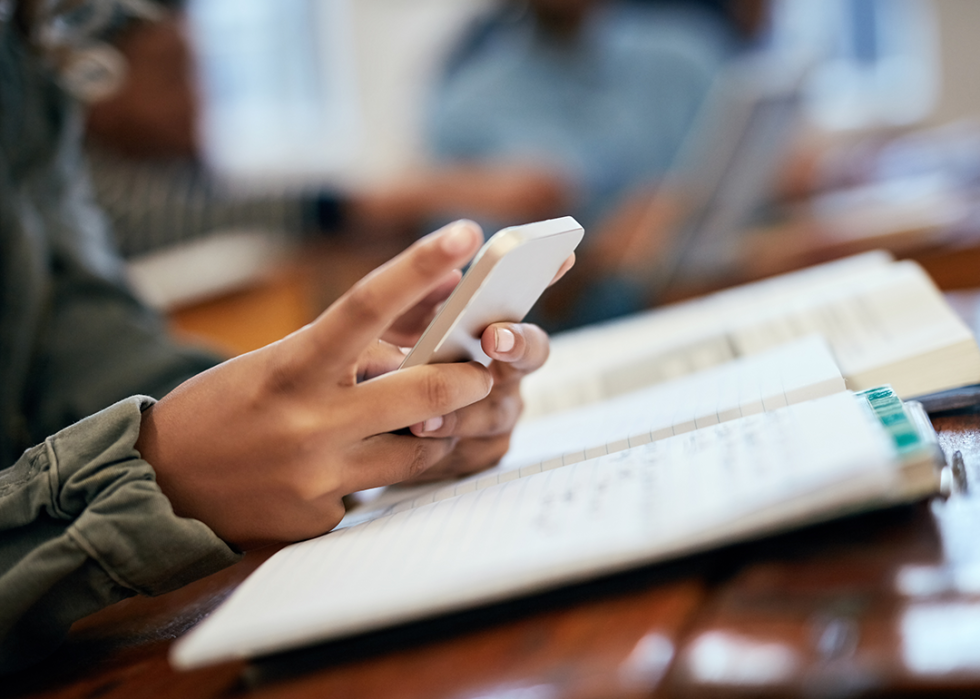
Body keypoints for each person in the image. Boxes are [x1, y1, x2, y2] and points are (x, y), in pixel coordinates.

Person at [0, 0, 570, 672]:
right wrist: (157, 479)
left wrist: (326, 407)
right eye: (174, 70)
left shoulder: (24, 49)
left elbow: (73, 335)